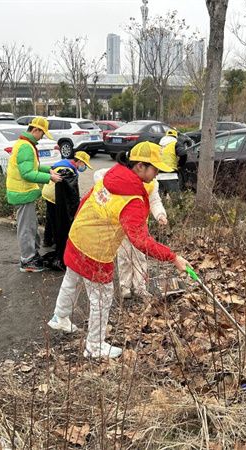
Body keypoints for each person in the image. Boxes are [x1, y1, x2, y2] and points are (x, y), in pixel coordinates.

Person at [47, 141, 189, 359]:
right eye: (155, 169)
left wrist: (79, 223)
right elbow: (141, 240)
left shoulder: (114, 174)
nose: (157, 173)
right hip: (96, 247)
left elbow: (88, 198)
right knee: (102, 297)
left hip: (79, 234)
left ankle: (60, 317)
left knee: (72, 277)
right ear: (140, 166)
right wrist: (172, 257)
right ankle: (94, 346)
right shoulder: (132, 198)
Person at [93, 168, 168, 299]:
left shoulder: (152, 183)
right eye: (153, 170)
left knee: (140, 257)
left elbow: (154, 201)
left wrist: (160, 214)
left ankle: (140, 287)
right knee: (124, 256)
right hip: (122, 225)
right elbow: (98, 174)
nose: (155, 175)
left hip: (140, 227)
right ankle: (125, 286)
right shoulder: (125, 176)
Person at [6, 116, 62, 272]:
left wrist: (49, 169)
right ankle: (27, 260)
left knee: (31, 225)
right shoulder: (25, 147)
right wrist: (49, 177)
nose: (42, 137)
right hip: (21, 193)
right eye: (42, 134)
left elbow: (33, 167)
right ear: (35, 130)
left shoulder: (26, 144)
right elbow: (27, 174)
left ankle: (31, 254)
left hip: (24, 193)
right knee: (26, 228)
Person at [41, 151, 93, 270]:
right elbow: (68, 190)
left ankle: (47, 241)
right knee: (56, 220)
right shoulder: (67, 169)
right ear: (79, 161)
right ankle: (56, 244)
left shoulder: (64, 163)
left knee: (50, 217)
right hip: (54, 196)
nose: (83, 167)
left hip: (47, 193)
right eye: (84, 164)